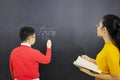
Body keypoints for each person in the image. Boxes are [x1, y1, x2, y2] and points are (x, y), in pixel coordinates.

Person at [79, 14, 120, 80]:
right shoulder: (108, 45)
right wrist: (89, 60)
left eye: (98, 25)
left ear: (104, 29)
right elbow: (104, 64)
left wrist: (90, 73)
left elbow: (117, 78)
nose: (97, 28)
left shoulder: (111, 49)